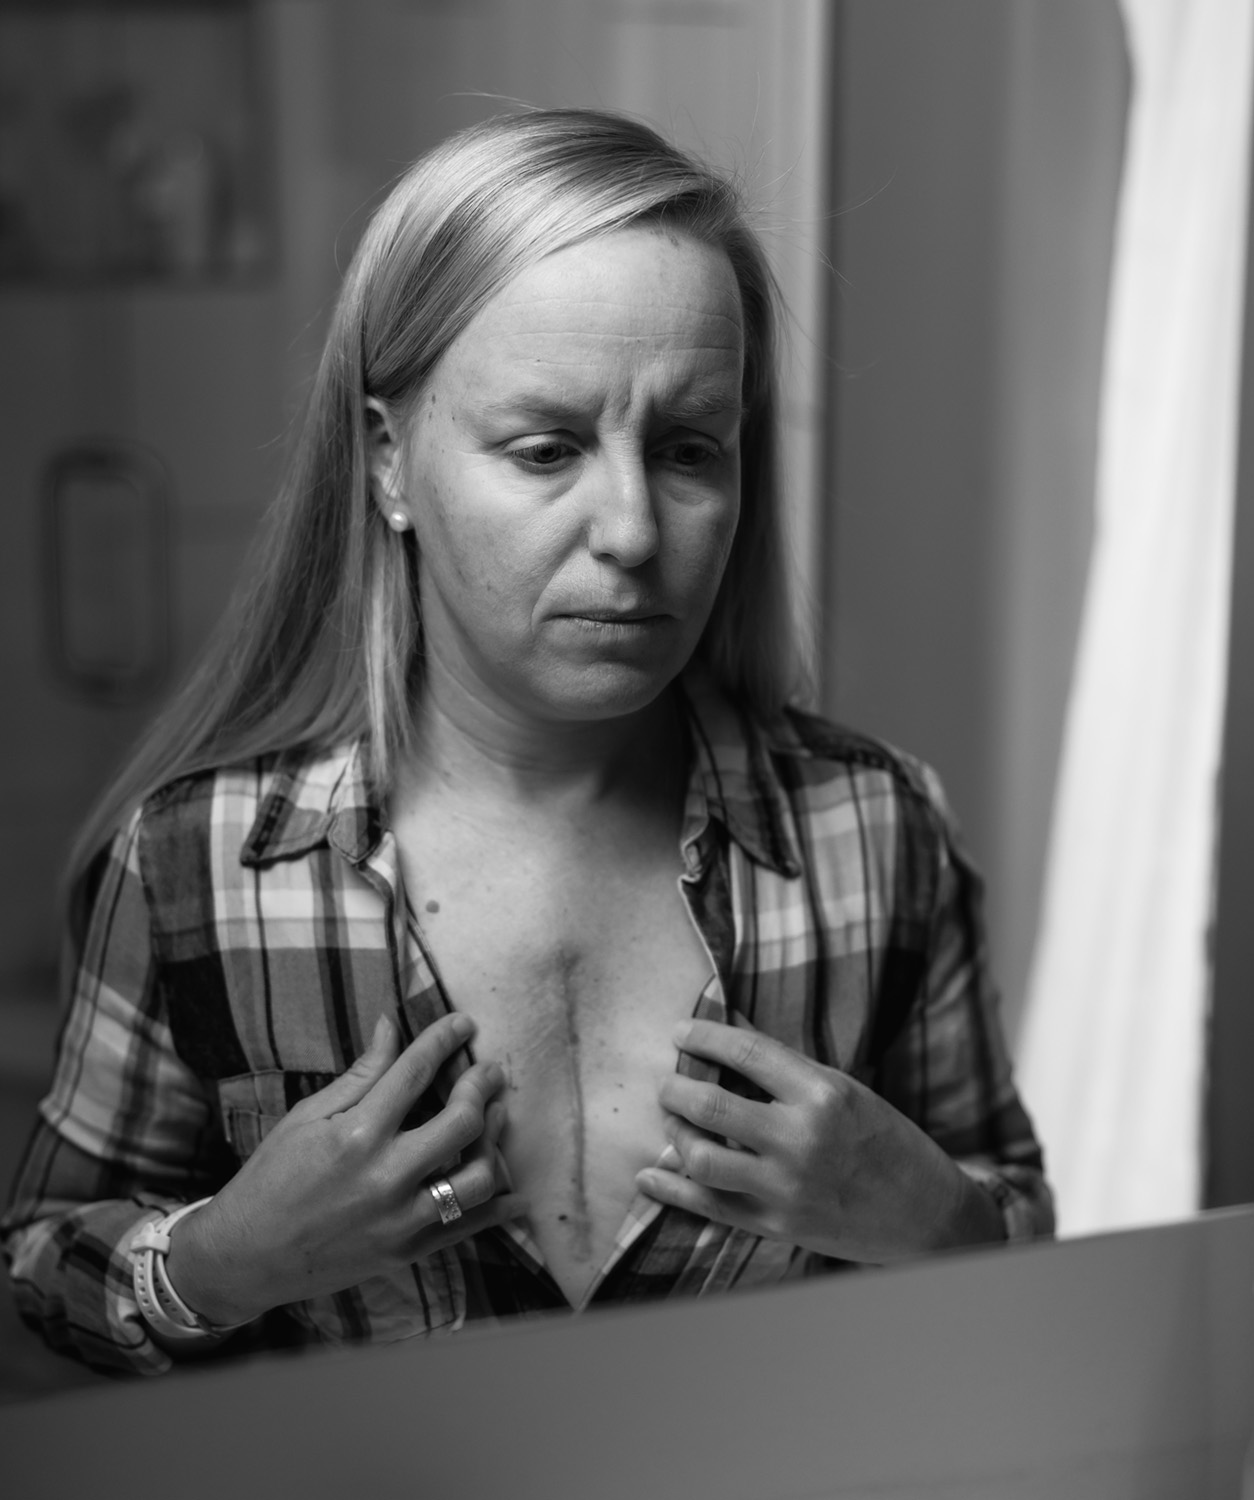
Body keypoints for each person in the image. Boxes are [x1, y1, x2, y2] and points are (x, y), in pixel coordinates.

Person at [2, 108, 1053, 1377]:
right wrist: (223, 1262)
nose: (630, 527)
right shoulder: (196, 868)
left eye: (687, 451)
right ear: (389, 462)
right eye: (546, 449)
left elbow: (1021, 1239)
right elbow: (41, 1278)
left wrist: (939, 1226)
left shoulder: (879, 833)